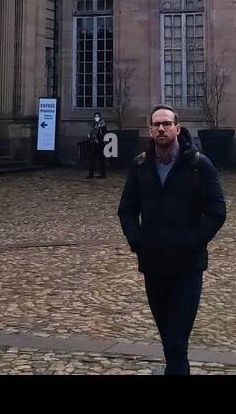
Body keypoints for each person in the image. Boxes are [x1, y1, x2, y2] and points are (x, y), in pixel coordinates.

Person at [117, 104, 226, 375]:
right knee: (168, 337)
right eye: (156, 124)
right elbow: (127, 209)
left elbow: (217, 211)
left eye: (166, 123)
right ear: (150, 130)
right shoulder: (140, 165)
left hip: (187, 266)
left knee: (177, 340)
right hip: (153, 264)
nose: (161, 128)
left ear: (177, 128)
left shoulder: (198, 164)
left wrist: (193, 242)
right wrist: (137, 240)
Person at [87, 112, 108, 179]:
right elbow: (92, 132)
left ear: (100, 117)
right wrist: (90, 136)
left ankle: (103, 174)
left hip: (100, 144)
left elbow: (104, 134)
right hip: (93, 143)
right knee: (92, 159)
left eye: (97, 116)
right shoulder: (94, 124)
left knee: (101, 159)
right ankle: (91, 174)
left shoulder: (103, 124)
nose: (96, 118)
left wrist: (100, 140)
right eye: (95, 116)